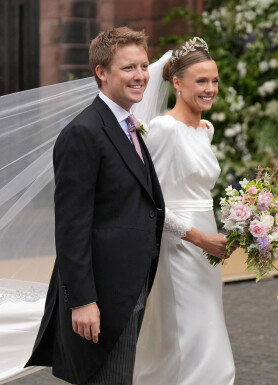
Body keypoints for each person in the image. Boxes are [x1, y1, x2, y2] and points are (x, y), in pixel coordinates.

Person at [25, 27, 166, 384]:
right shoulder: (83, 132)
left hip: (129, 285)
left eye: (144, 66)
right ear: (102, 72)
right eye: (128, 68)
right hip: (101, 296)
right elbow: (71, 227)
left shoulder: (128, 126)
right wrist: (81, 300)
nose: (140, 76)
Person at [132, 37, 236, 385]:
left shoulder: (206, 129)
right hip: (178, 246)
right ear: (176, 82)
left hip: (207, 244)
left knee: (196, 331)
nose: (210, 89)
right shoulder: (162, 129)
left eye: (215, 80)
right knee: (198, 337)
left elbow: (200, 191)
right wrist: (198, 238)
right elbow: (151, 201)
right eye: (201, 81)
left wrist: (236, 229)